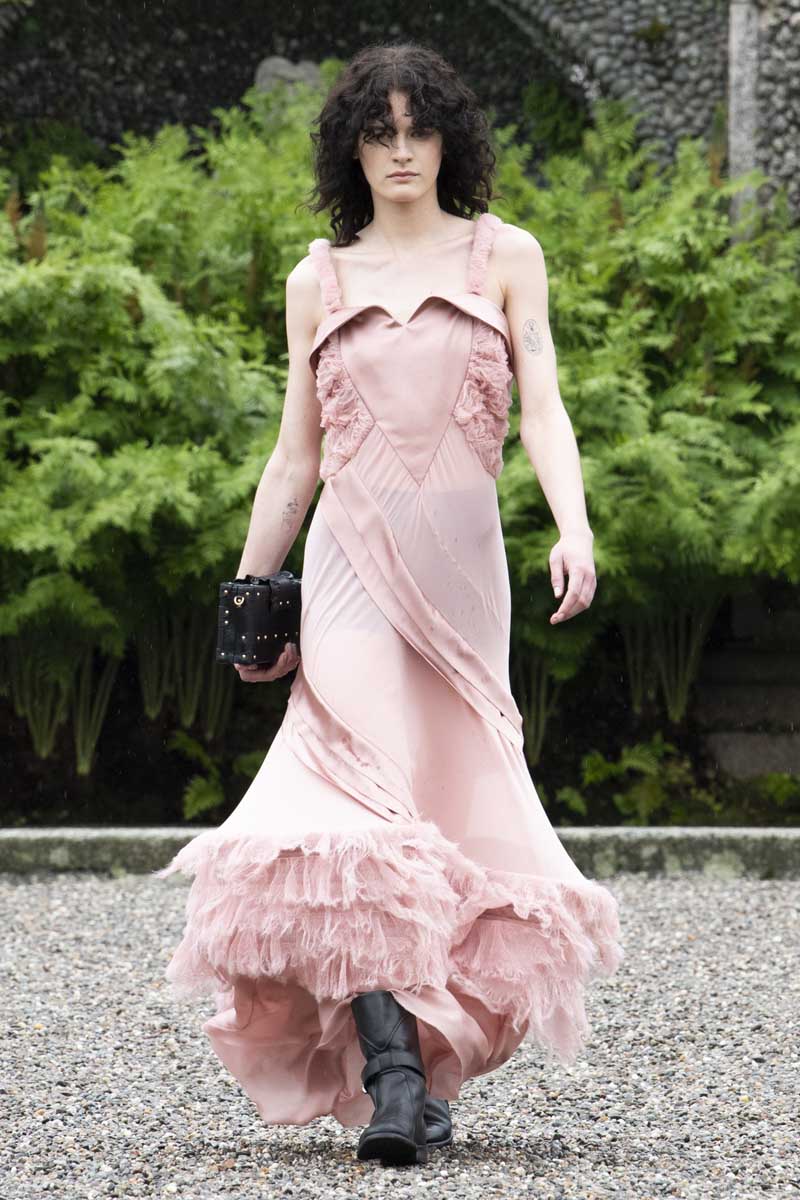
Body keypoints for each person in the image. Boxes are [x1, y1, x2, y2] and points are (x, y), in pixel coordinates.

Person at [155, 41, 624, 1168]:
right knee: (360, 817)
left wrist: (573, 525)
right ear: (351, 150)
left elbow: (544, 407)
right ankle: (396, 1081)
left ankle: (427, 1061)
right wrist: (247, 595)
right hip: (349, 575)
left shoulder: (506, 255)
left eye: (419, 129)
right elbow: (293, 458)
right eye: (380, 132)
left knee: (445, 810)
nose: (402, 150)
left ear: (449, 140)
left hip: (463, 581)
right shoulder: (315, 279)